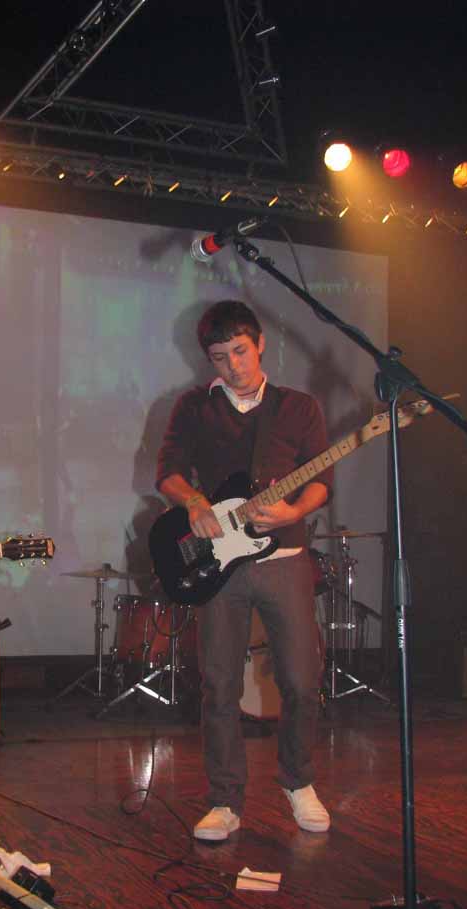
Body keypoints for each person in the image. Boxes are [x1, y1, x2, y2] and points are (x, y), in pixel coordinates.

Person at [156, 300, 333, 840]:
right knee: (219, 685)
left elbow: (321, 481)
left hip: (285, 558)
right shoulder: (193, 407)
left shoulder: (299, 408)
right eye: (220, 357)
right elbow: (167, 473)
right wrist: (194, 502)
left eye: (240, 351)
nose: (233, 365)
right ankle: (225, 800)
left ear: (260, 345)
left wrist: (294, 512)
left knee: (302, 680)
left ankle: (298, 783)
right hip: (221, 563)